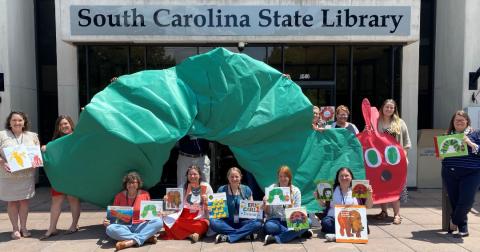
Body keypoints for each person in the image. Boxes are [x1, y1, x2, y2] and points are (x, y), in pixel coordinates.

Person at [0, 111, 40, 240]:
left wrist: (36, 161)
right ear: (9, 122)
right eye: (14, 120)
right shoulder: (2, 135)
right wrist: (2, 162)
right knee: (12, 202)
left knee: (24, 201)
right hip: (8, 175)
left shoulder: (32, 136)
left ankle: (24, 227)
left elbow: (36, 153)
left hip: (26, 175)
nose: (17, 123)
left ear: (24, 122)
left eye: (20, 120)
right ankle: (15, 229)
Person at [40, 115, 81, 240]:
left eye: (66, 123)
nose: (64, 126)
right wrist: (44, 148)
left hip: (73, 174)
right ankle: (52, 228)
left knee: (73, 199)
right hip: (59, 176)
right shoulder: (55, 142)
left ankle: (74, 225)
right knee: (56, 200)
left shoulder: (78, 136)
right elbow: (49, 151)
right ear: (58, 127)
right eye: (61, 124)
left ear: (71, 124)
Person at [441, 110, 480, 238]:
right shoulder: (447, 135)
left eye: (462, 119)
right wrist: (441, 156)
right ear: (453, 122)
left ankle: (454, 220)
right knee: (455, 201)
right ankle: (463, 228)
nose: (459, 121)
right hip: (450, 172)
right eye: (456, 120)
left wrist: (470, 143)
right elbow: (443, 155)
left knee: (467, 201)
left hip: (471, 173)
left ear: (467, 121)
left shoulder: (476, 134)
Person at [103, 172, 163, 250]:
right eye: (129, 183)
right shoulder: (119, 196)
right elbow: (113, 216)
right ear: (126, 184)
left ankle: (131, 241)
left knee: (159, 222)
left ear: (138, 184)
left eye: (134, 183)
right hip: (125, 227)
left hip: (141, 225)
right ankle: (146, 238)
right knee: (110, 229)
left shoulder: (145, 194)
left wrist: (157, 214)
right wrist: (107, 221)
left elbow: (150, 213)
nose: (131, 185)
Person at [376, 99, 411, 225]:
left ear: (394, 109)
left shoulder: (400, 123)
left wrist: (402, 158)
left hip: (396, 161)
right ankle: (384, 211)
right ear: (382, 107)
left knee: (396, 188)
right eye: (387, 107)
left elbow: (407, 143)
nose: (389, 109)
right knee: (381, 186)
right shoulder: (375, 121)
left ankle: (397, 214)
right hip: (380, 161)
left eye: (391, 107)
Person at [316, 167, 373, 242]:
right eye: (341, 176)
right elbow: (323, 205)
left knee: (363, 222)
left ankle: (337, 236)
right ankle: (346, 235)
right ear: (338, 178)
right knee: (325, 222)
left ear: (351, 177)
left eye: (346, 175)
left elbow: (368, 206)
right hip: (335, 219)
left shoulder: (357, 188)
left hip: (352, 219)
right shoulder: (331, 189)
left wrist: (369, 195)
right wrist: (318, 198)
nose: (344, 178)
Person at [210, 167, 263, 243]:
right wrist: (213, 207)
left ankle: (229, 237)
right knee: (213, 222)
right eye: (232, 177)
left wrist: (259, 208)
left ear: (241, 177)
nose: (234, 179)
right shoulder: (221, 189)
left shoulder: (246, 189)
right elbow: (217, 212)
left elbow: (252, 212)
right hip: (227, 222)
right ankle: (243, 234)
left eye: (236, 176)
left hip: (243, 222)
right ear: (228, 177)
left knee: (258, 223)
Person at [263, 165, 313, 245]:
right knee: (269, 227)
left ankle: (276, 238)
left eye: (285, 176)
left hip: (292, 220)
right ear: (278, 177)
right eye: (280, 176)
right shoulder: (272, 189)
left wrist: (290, 204)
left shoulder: (295, 191)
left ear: (289, 177)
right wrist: (266, 203)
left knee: (309, 222)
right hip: (276, 221)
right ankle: (297, 233)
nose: (283, 179)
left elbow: (298, 211)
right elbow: (268, 213)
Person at [162, 165, 213, 243]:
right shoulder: (182, 187)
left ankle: (189, 233)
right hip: (183, 217)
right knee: (167, 221)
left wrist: (206, 202)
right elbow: (175, 205)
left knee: (203, 225)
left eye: (195, 174)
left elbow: (212, 206)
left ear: (199, 176)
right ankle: (192, 235)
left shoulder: (206, 187)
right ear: (187, 176)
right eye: (190, 174)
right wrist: (167, 200)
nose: (192, 176)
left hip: (198, 219)